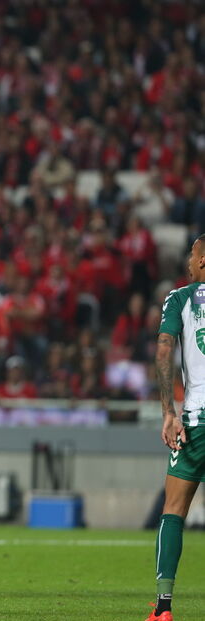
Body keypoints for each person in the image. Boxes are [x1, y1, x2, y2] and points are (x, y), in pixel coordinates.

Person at [146, 234, 205, 621]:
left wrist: (170, 411)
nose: (188, 259)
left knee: (174, 509)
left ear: (203, 262)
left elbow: (165, 347)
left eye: (192, 253)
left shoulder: (181, 298)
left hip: (196, 421)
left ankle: (164, 608)